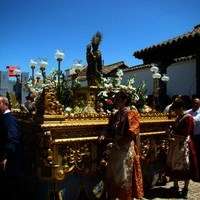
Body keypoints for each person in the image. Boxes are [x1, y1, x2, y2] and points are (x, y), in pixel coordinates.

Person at [99, 91, 144, 200]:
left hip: (126, 147)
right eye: (115, 99)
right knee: (114, 174)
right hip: (115, 148)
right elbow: (109, 128)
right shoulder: (115, 114)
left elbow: (132, 133)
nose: (115, 101)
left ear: (124, 100)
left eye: (118, 100)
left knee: (124, 175)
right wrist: (103, 135)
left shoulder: (132, 113)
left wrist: (117, 143)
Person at [166, 96, 199, 198]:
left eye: (175, 110)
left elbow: (185, 133)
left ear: (180, 108)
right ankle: (175, 186)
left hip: (184, 145)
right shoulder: (179, 118)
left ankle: (185, 188)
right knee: (174, 165)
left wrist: (172, 134)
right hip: (176, 144)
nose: (174, 112)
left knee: (185, 166)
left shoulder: (188, 118)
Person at [0, 95, 24, 200]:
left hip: (11, 161)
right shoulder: (4, 118)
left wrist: (4, 156)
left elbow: (12, 138)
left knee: (10, 189)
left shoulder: (9, 119)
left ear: (6, 105)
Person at [186, 97, 200, 179]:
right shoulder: (189, 112)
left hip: (198, 136)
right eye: (193, 103)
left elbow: (195, 120)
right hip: (190, 136)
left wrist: (186, 118)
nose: (194, 105)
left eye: (196, 103)